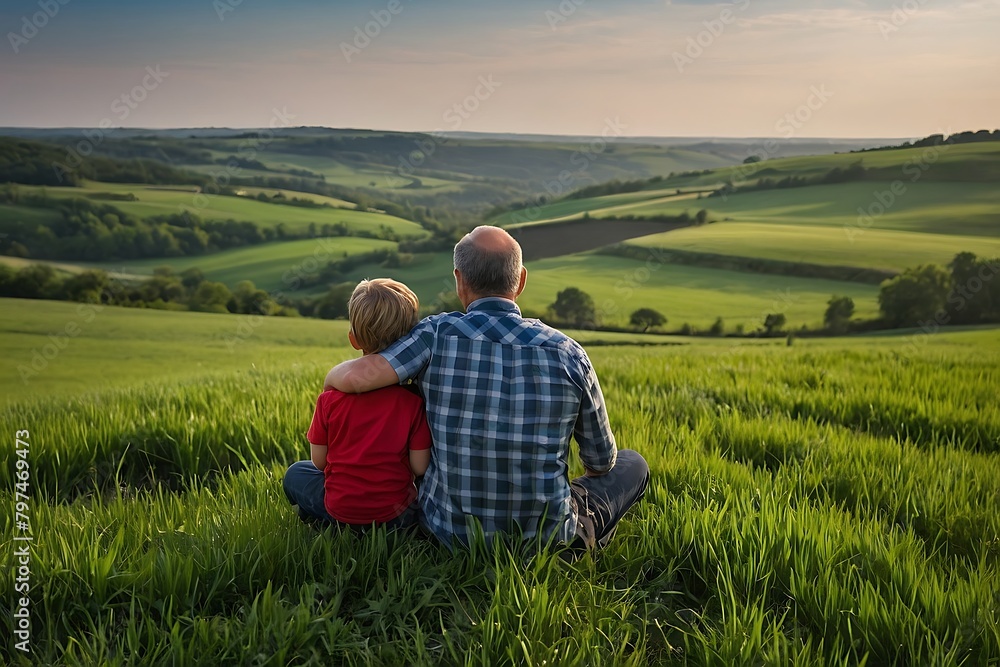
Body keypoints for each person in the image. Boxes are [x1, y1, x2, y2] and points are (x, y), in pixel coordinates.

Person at [324, 226, 649, 550]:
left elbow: (359, 378)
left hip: (446, 534)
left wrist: (330, 382)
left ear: (459, 280)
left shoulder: (434, 335)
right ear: (520, 280)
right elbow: (600, 463)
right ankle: (581, 537)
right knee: (632, 464)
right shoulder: (569, 353)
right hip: (546, 544)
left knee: (304, 477)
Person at [283, 278, 432, 530]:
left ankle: (325, 522)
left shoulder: (329, 400)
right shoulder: (413, 402)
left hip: (340, 509)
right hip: (396, 518)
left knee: (296, 473)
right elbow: (419, 466)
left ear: (354, 339)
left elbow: (319, 462)